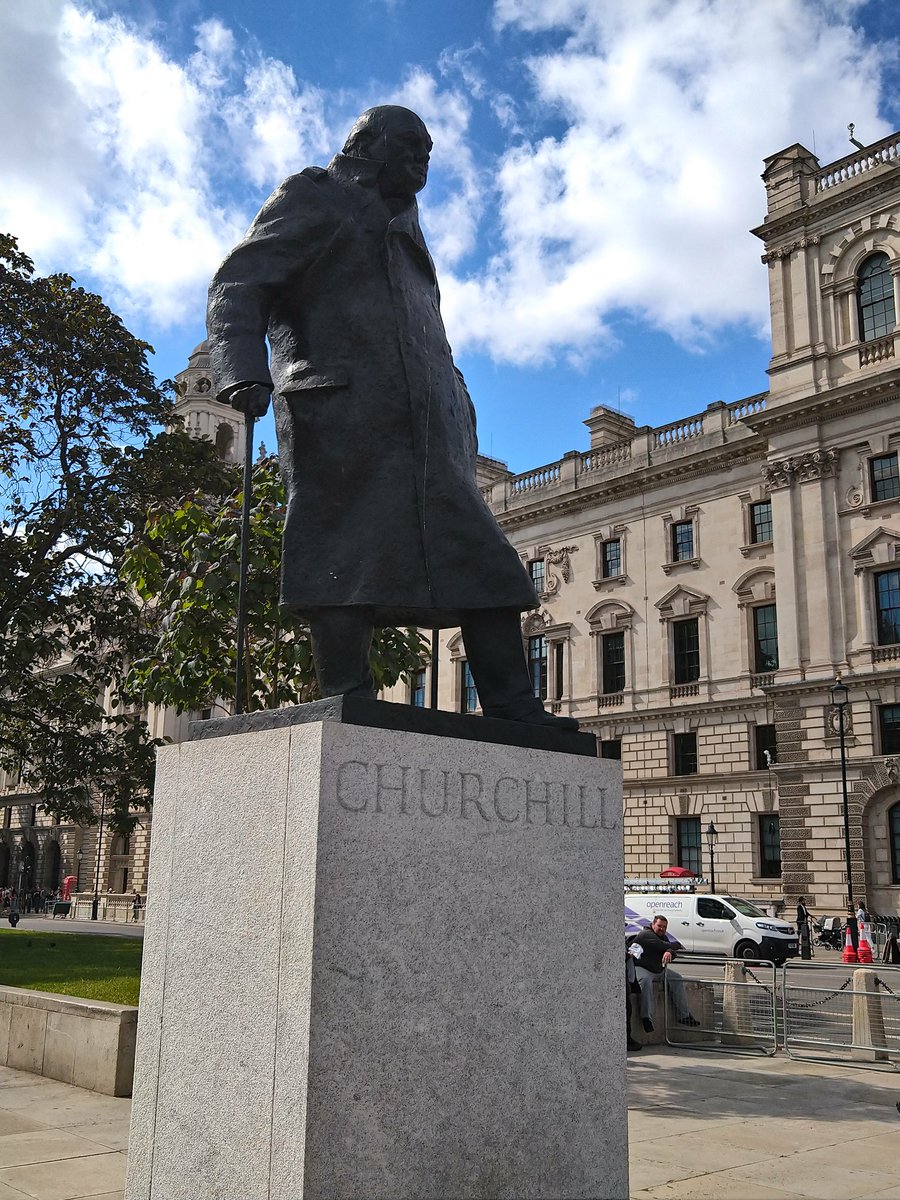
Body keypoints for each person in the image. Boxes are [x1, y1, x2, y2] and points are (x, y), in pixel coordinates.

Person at [207, 105, 577, 730]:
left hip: (426, 426)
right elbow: (237, 283)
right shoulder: (314, 196)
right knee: (338, 552)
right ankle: (346, 692)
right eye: (409, 144)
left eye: (427, 150)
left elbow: (426, 327)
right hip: (338, 412)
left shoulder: (408, 223)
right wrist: (242, 368)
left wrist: (458, 404)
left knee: (483, 561)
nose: (421, 159)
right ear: (367, 144)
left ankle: (513, 706)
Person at [631, 916, 700, 1032]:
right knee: (645, 981)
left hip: (658, 970)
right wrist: (675, 945)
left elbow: (669, 949)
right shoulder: (646, 935)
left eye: (664, 927)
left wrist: (669, 952)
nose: (662, 929)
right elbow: (663, 945)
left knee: (677, 978)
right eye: (659, 926)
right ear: (652, 924)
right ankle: (646, 1018)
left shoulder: (663, 937)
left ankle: (684, 1016)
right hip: (642, 968)